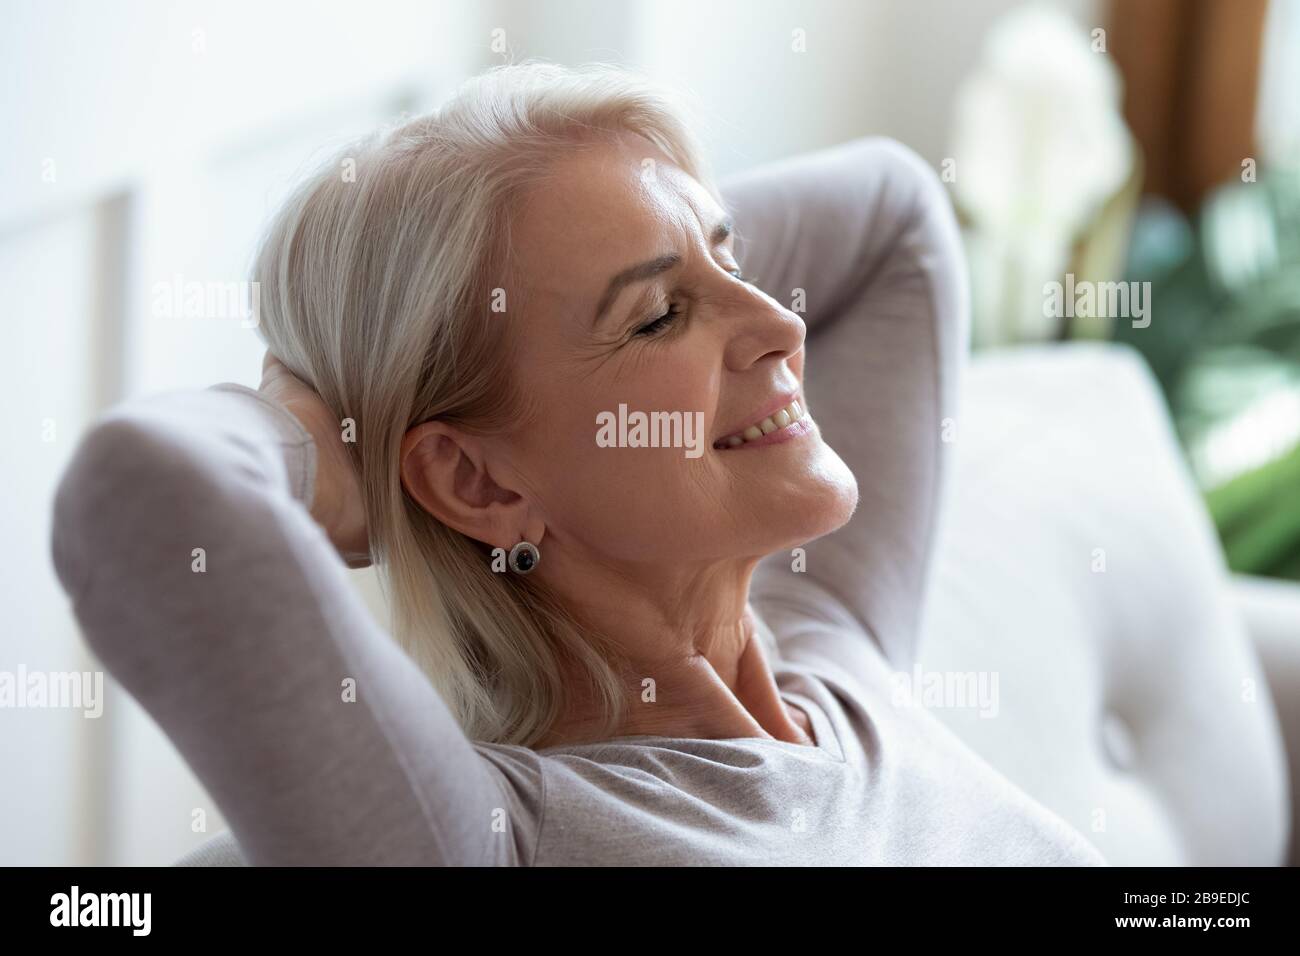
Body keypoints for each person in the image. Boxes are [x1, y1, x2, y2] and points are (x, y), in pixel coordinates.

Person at [51, 61, 1107, 865]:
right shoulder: (496, 835)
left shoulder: (838, 651)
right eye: (657, 317)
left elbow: (892, 219)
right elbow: (144, 495)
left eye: (732, 256)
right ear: (482, 483)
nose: (779, 325)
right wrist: (339, 437)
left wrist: (642, 233)